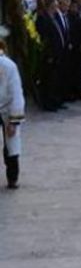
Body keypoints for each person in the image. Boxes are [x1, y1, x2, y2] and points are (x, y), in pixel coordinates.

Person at [0, 39, 25, 189]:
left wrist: (14, 120)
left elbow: (15, 93)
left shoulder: (8, 66)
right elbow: (16, 93)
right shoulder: (10, 65)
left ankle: (12, 177)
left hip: (6, 109)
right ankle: (12, 177)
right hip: (7, 107)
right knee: (11, 145)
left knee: (11, 144)